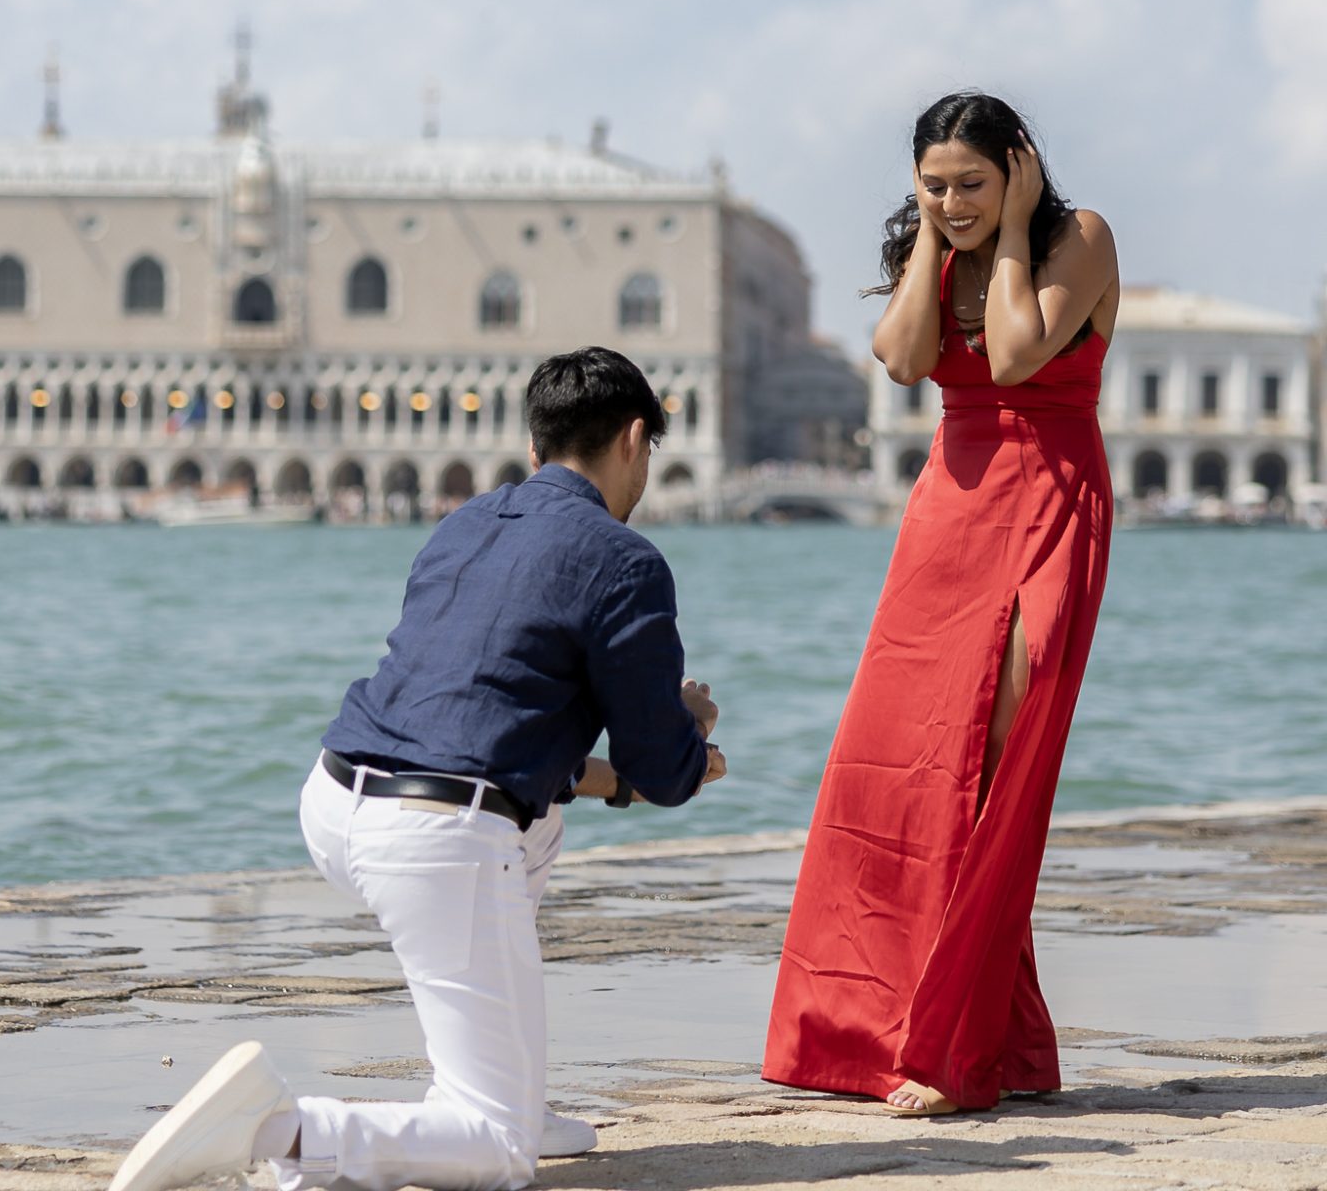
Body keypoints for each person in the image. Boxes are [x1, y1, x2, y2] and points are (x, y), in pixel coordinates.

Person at [109, 346, 726, 1191]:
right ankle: (280, 1130)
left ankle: (510, 1081)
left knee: (535, 824)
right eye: (649, 452)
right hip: (436, 834)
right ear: (632, 440)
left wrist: (612, 780)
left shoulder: (466, 523)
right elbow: (662, 769)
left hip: (336, 798)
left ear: (537, 448)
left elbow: (488, 724)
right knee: (495, 1153)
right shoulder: (626, 563)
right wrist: (690, 729)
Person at [762, 91, 1120, 1117]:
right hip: (946, 518)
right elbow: (907, 358)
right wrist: (932, 237)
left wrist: (1008, 232)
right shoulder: (934, 244)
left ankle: (951, 1046)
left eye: (971, 181)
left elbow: (1010, 358)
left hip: (1048, 505)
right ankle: (915, 1031)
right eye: (933, 185)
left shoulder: (1079, 238)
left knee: (992, 764)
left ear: (1019, 166)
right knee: (901, 773)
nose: (952, 199)